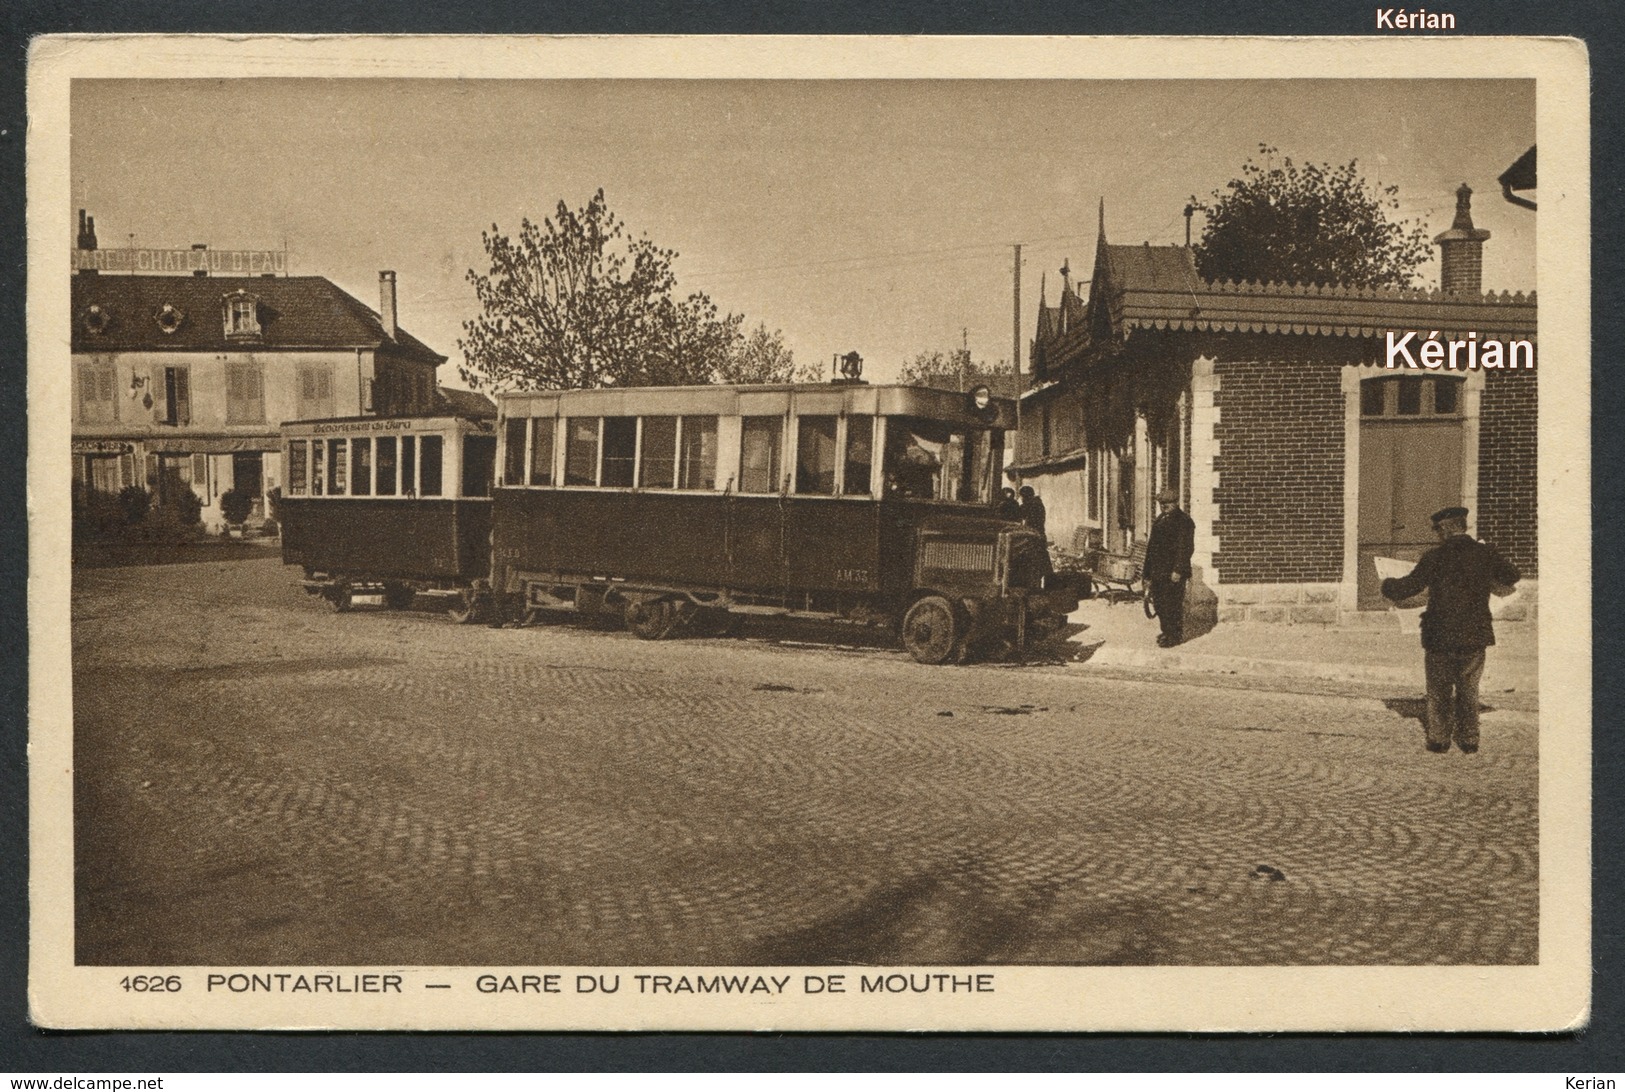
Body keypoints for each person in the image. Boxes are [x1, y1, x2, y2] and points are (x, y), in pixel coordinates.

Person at [1381, 505, 1520, 754]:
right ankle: (1469, 740)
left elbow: (1407, 588)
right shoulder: (1485, 553)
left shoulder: (1434, 557)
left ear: (1445, 529)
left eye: (1437, 529)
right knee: (1469, 689)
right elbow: (1512, 576)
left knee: (1438, 690)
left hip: (1439, 634)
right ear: (1463, 527)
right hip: (1475, 634)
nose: (1436, 533)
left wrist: (1387, 584)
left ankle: (1439, 739)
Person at [1143, 487, 1195, 647]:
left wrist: (1178, 570)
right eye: (1161, 503)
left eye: (1168, 503)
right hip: (1158, 571)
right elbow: (1151, 548)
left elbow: (1185, 548)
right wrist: (1147, 573)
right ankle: (1166, 631)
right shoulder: (1160, 519)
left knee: (1172, 604)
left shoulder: (1184, 521)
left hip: (1173, 572)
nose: (1164, 506)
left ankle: (1174, 636)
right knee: (1159, 603)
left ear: (1176, 503)